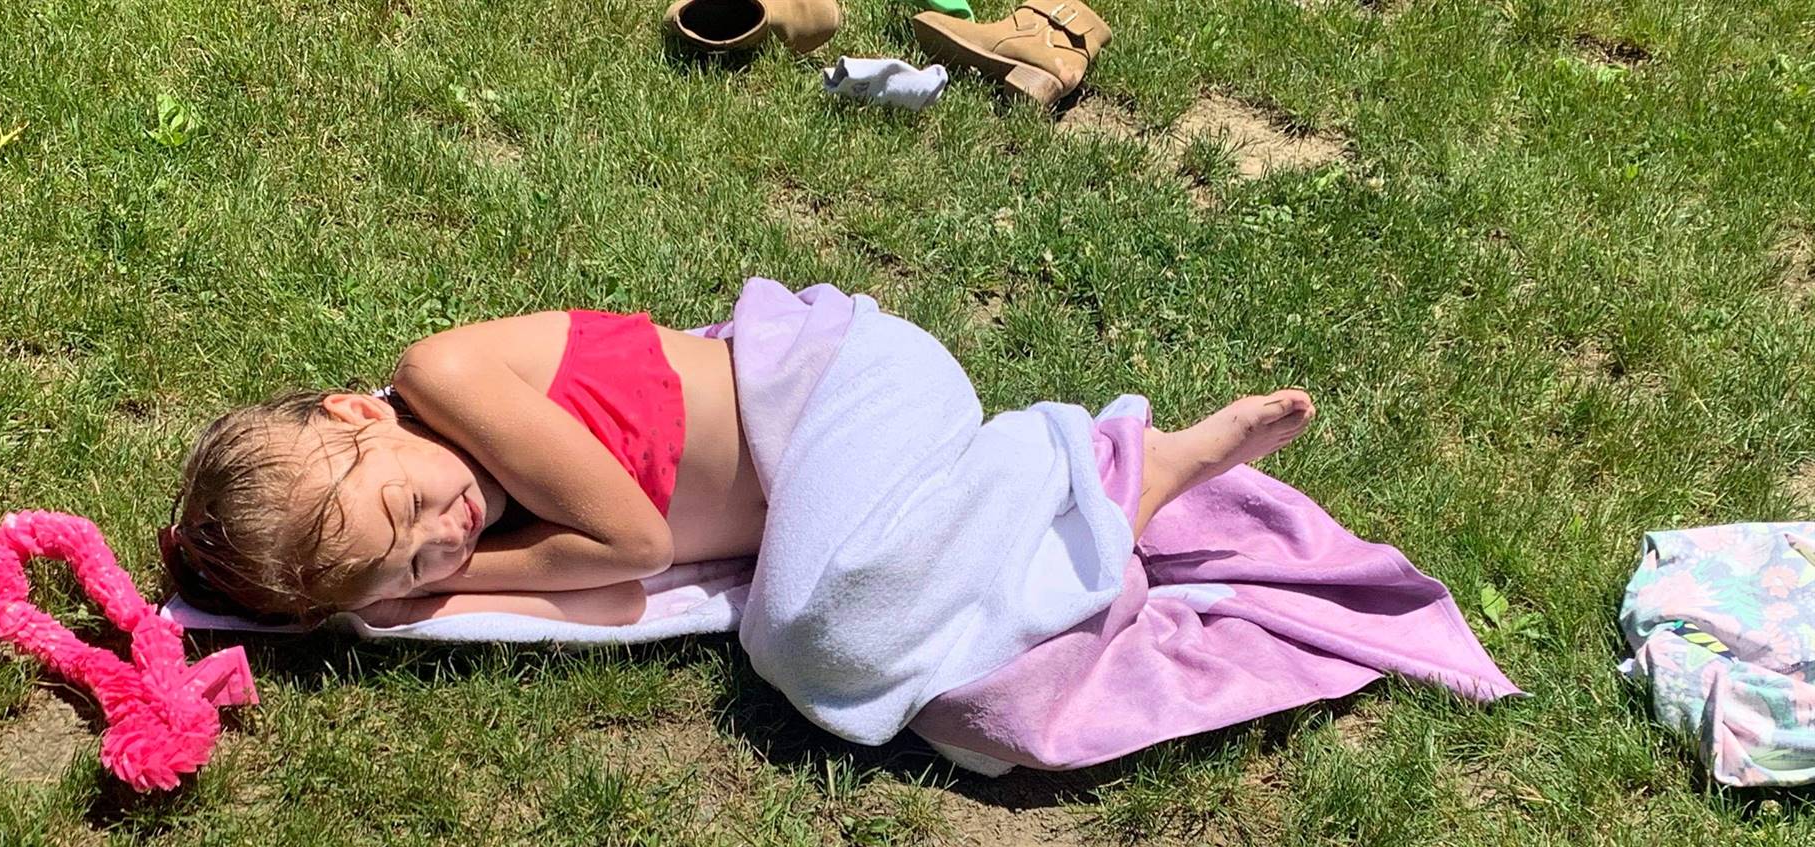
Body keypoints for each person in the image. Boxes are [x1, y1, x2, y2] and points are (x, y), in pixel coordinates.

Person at [164, 303, 1316, 628]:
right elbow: (620, 593)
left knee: (823, 640)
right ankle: (1097, 487)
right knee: (875, 637)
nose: (443, 535)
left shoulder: (449, 378)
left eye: (406, 507)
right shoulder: (446, 487)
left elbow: (635, 551)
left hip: (850, 392)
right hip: (846, 467)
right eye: (411, 566)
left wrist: (453, 589)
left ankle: (1111, 465)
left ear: (361, 410)